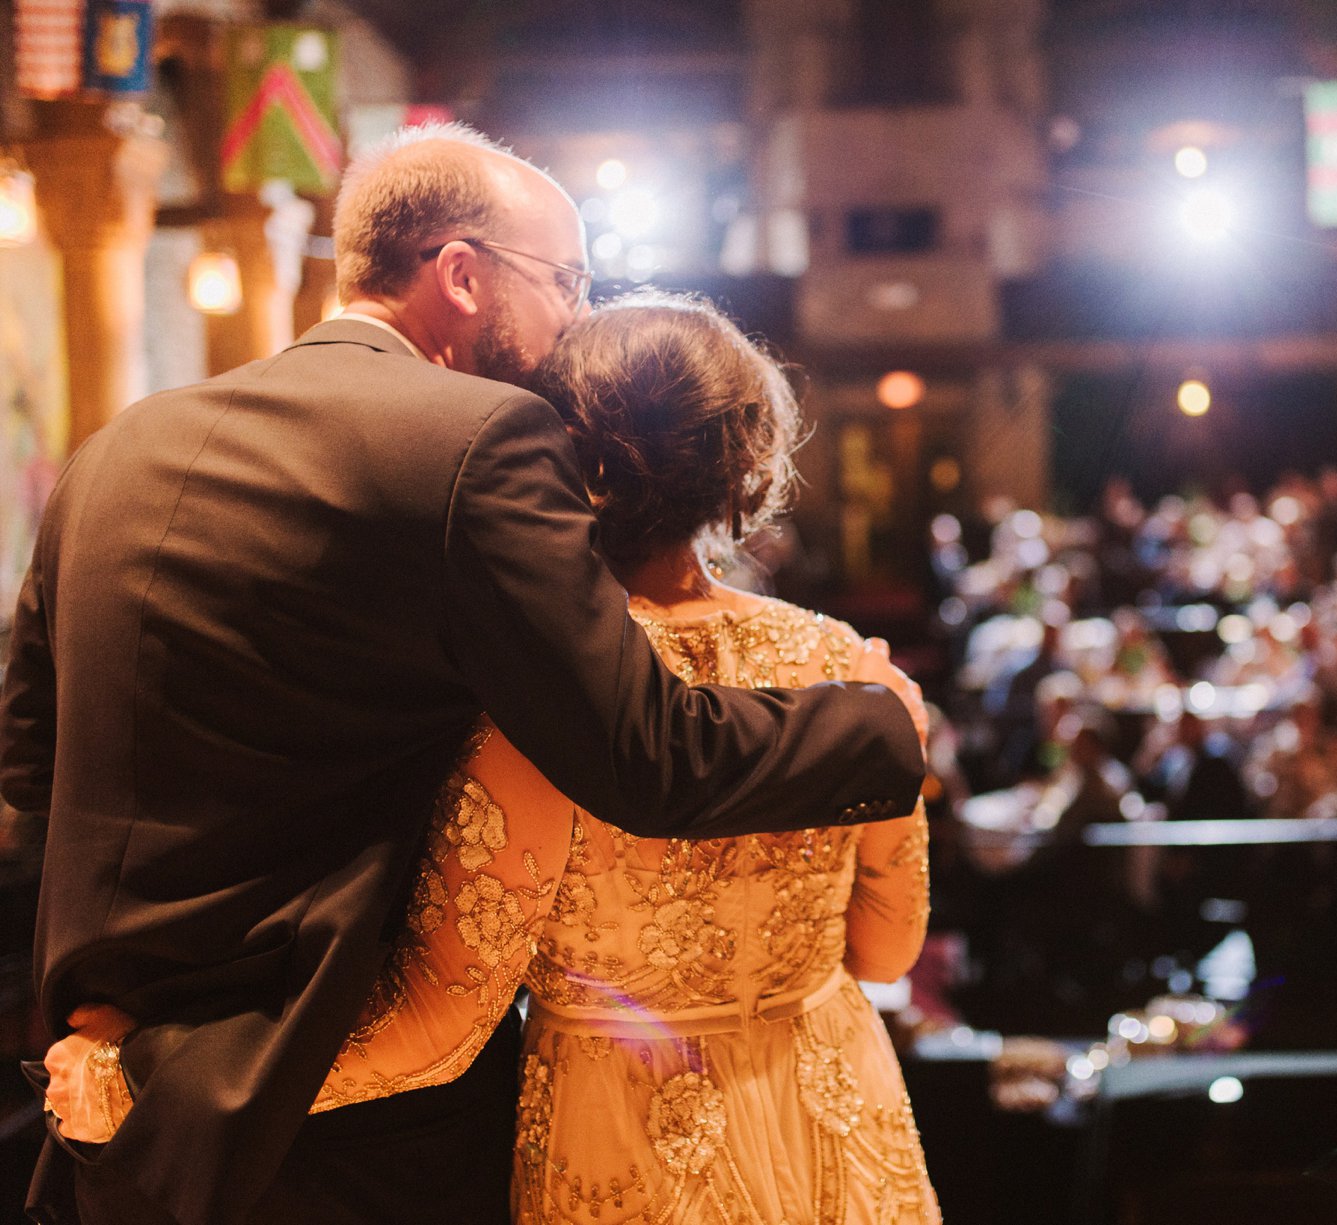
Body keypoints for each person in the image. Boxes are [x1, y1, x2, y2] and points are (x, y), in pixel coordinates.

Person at [5, 126, 924, 1225]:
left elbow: (28, 771)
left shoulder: (119, 447)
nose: (571, 324)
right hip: (341, 1106)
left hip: (94, 1085)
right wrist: (882, 726)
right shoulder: (475, 439)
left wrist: (103, 1030)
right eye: (565, 283)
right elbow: (639, 750)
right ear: (461, 275)